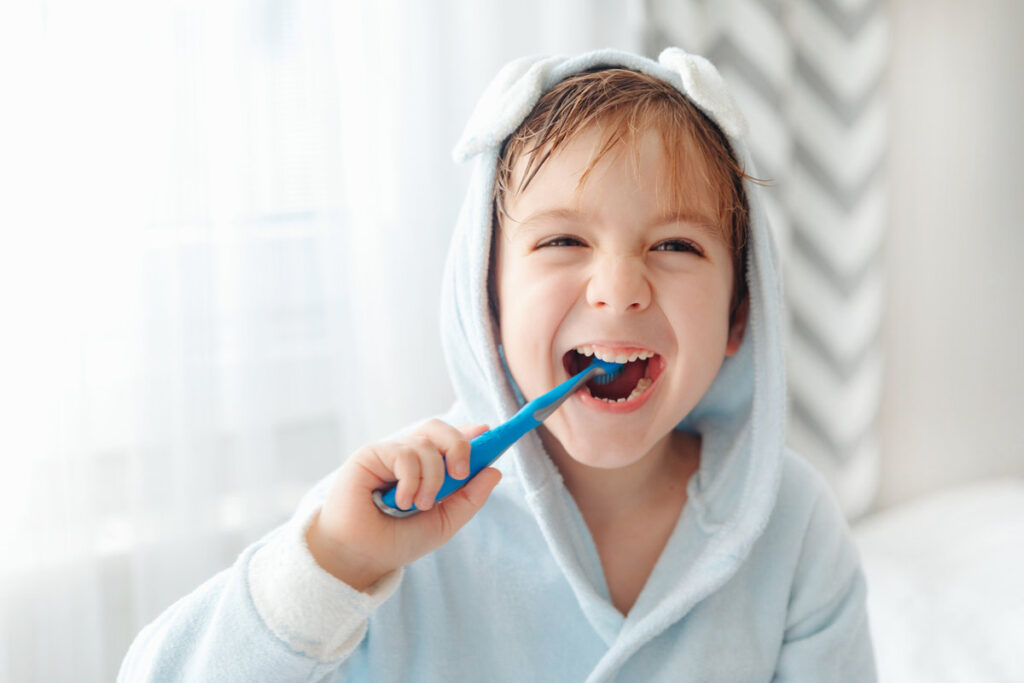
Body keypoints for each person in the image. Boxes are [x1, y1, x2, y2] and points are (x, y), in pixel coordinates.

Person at [119, 47, 876, 682]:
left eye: (676, 245)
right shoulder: (390, 521)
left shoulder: (794, 528)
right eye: (562, 241)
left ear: (741, 315)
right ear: (487, 302)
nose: (620, 289)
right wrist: (334, 565)